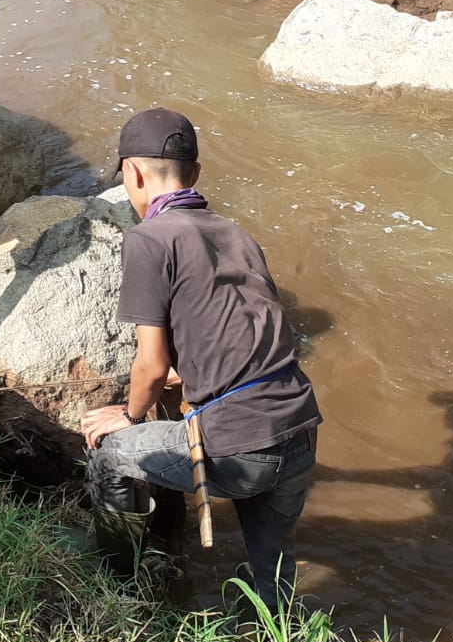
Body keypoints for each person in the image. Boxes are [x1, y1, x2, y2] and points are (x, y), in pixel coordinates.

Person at [79, 108, 322, 614]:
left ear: (134, 174)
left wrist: (127, 416)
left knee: (111, 456)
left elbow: (149, 363)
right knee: (270, 571)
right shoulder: (239, 236)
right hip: (299, 431)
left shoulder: (148, 239)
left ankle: (115, 585)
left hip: (241, 446)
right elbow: (246, 328)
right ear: (196, 174)